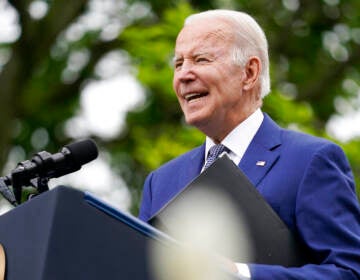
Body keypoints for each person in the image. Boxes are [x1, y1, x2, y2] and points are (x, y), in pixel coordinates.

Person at [138, 9, 360, 279]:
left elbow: (349, 272)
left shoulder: (311, 161)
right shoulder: (160, 183)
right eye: (178, 63)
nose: (184, 75)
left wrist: (241, 274)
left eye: (201, 59)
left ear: (249, 72)